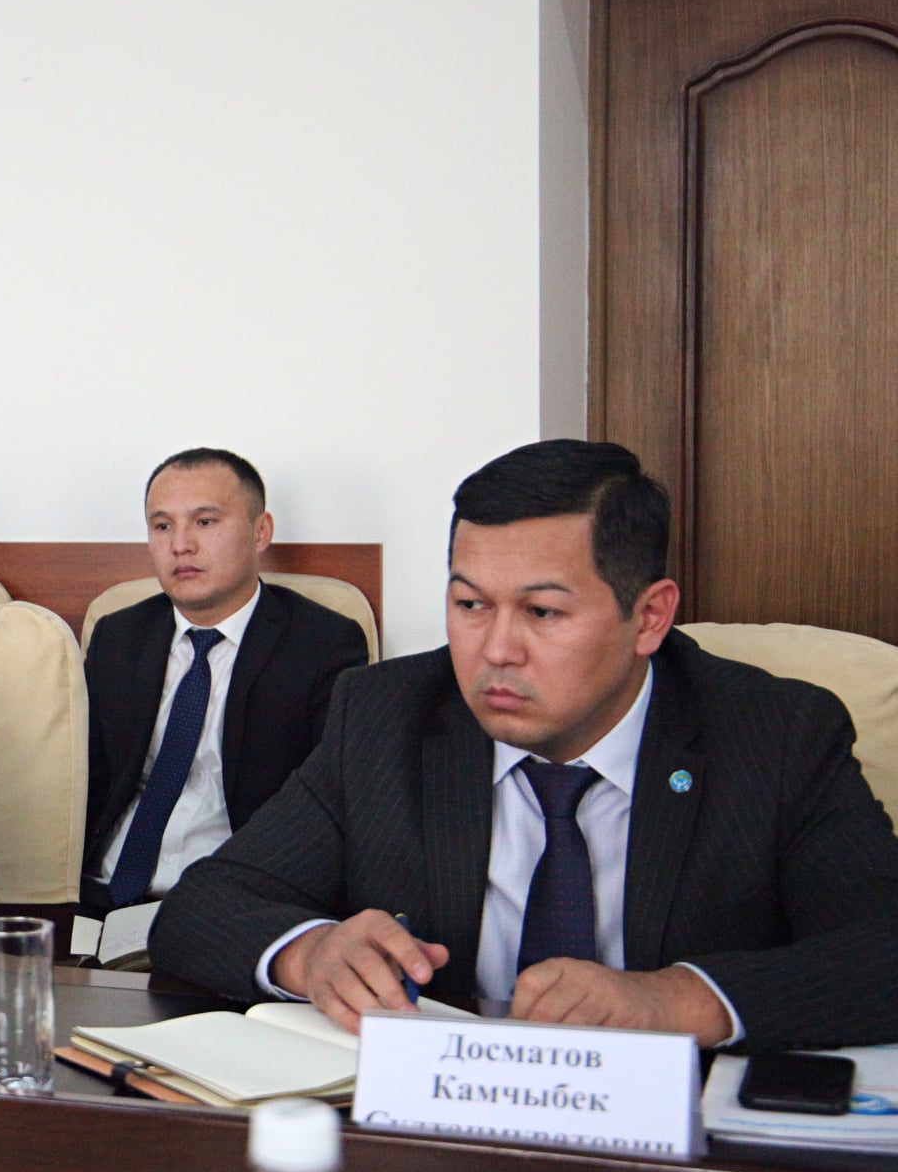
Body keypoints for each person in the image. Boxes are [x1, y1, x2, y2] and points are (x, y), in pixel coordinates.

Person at [150, 440, 898, 1051]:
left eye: (542, 612)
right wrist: (310, 953)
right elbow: (202, 907)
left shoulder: (777, 735)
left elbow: (883, 951)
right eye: (470, 603)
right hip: (439, 1132)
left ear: (648, 617)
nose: (496, 650)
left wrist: (676, 1000)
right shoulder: (384, 716)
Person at [81, 449, 366, 916]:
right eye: (162, 526)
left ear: (261, 532)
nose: (181, 545)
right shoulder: (119, 636)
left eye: (205, 522)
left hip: (233, 904)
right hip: (102, 893)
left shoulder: (322, 644)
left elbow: (327, 810)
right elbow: (87, 783)